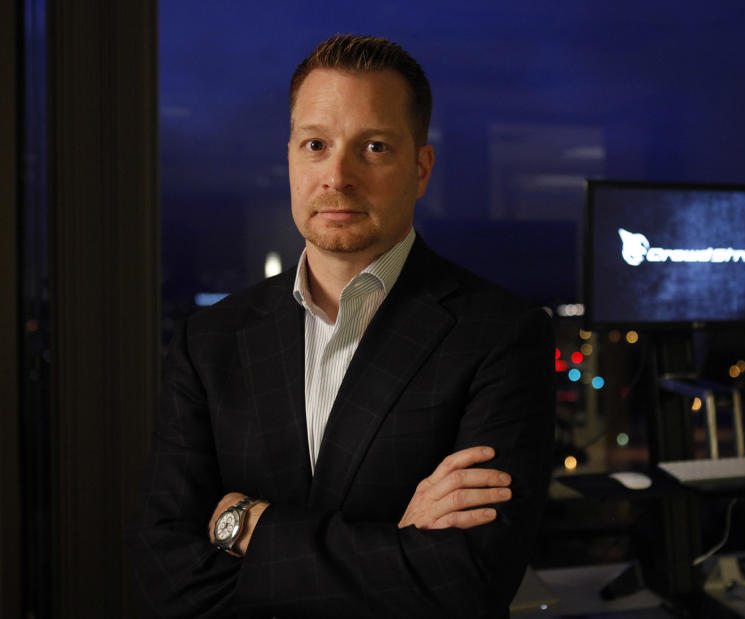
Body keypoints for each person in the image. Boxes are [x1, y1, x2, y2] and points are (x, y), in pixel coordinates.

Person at [126, 34, 556, 618]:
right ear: (290, 159)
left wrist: (249, 527)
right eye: (315, 144)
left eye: (374, 146)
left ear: (421, 168)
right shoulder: (210, 341)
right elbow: (163, 576)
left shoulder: (501, 335)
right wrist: (398, 547)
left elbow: (467, 581)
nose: (338, 175)